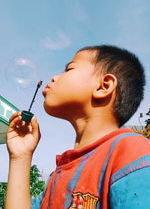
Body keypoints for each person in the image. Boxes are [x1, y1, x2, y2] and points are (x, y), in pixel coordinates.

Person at [5, 45, 150, 209]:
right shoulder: (57, 176)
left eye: (69, 69)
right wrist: (20, 157)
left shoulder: (134, 153)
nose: (53, 77)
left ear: (104, 86)